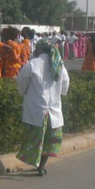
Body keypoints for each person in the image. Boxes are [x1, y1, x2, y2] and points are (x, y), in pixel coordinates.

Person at [15, 38, 70, 176]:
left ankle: (37, 163)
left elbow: (21, 82)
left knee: (35, 138)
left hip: (37, 109)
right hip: (53, 110)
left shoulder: (33, 64)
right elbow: (65, 84)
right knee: (49, 141)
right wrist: (60, 93)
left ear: (39, 50)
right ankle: (42, 165)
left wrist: (24, 92)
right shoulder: (59, 65)